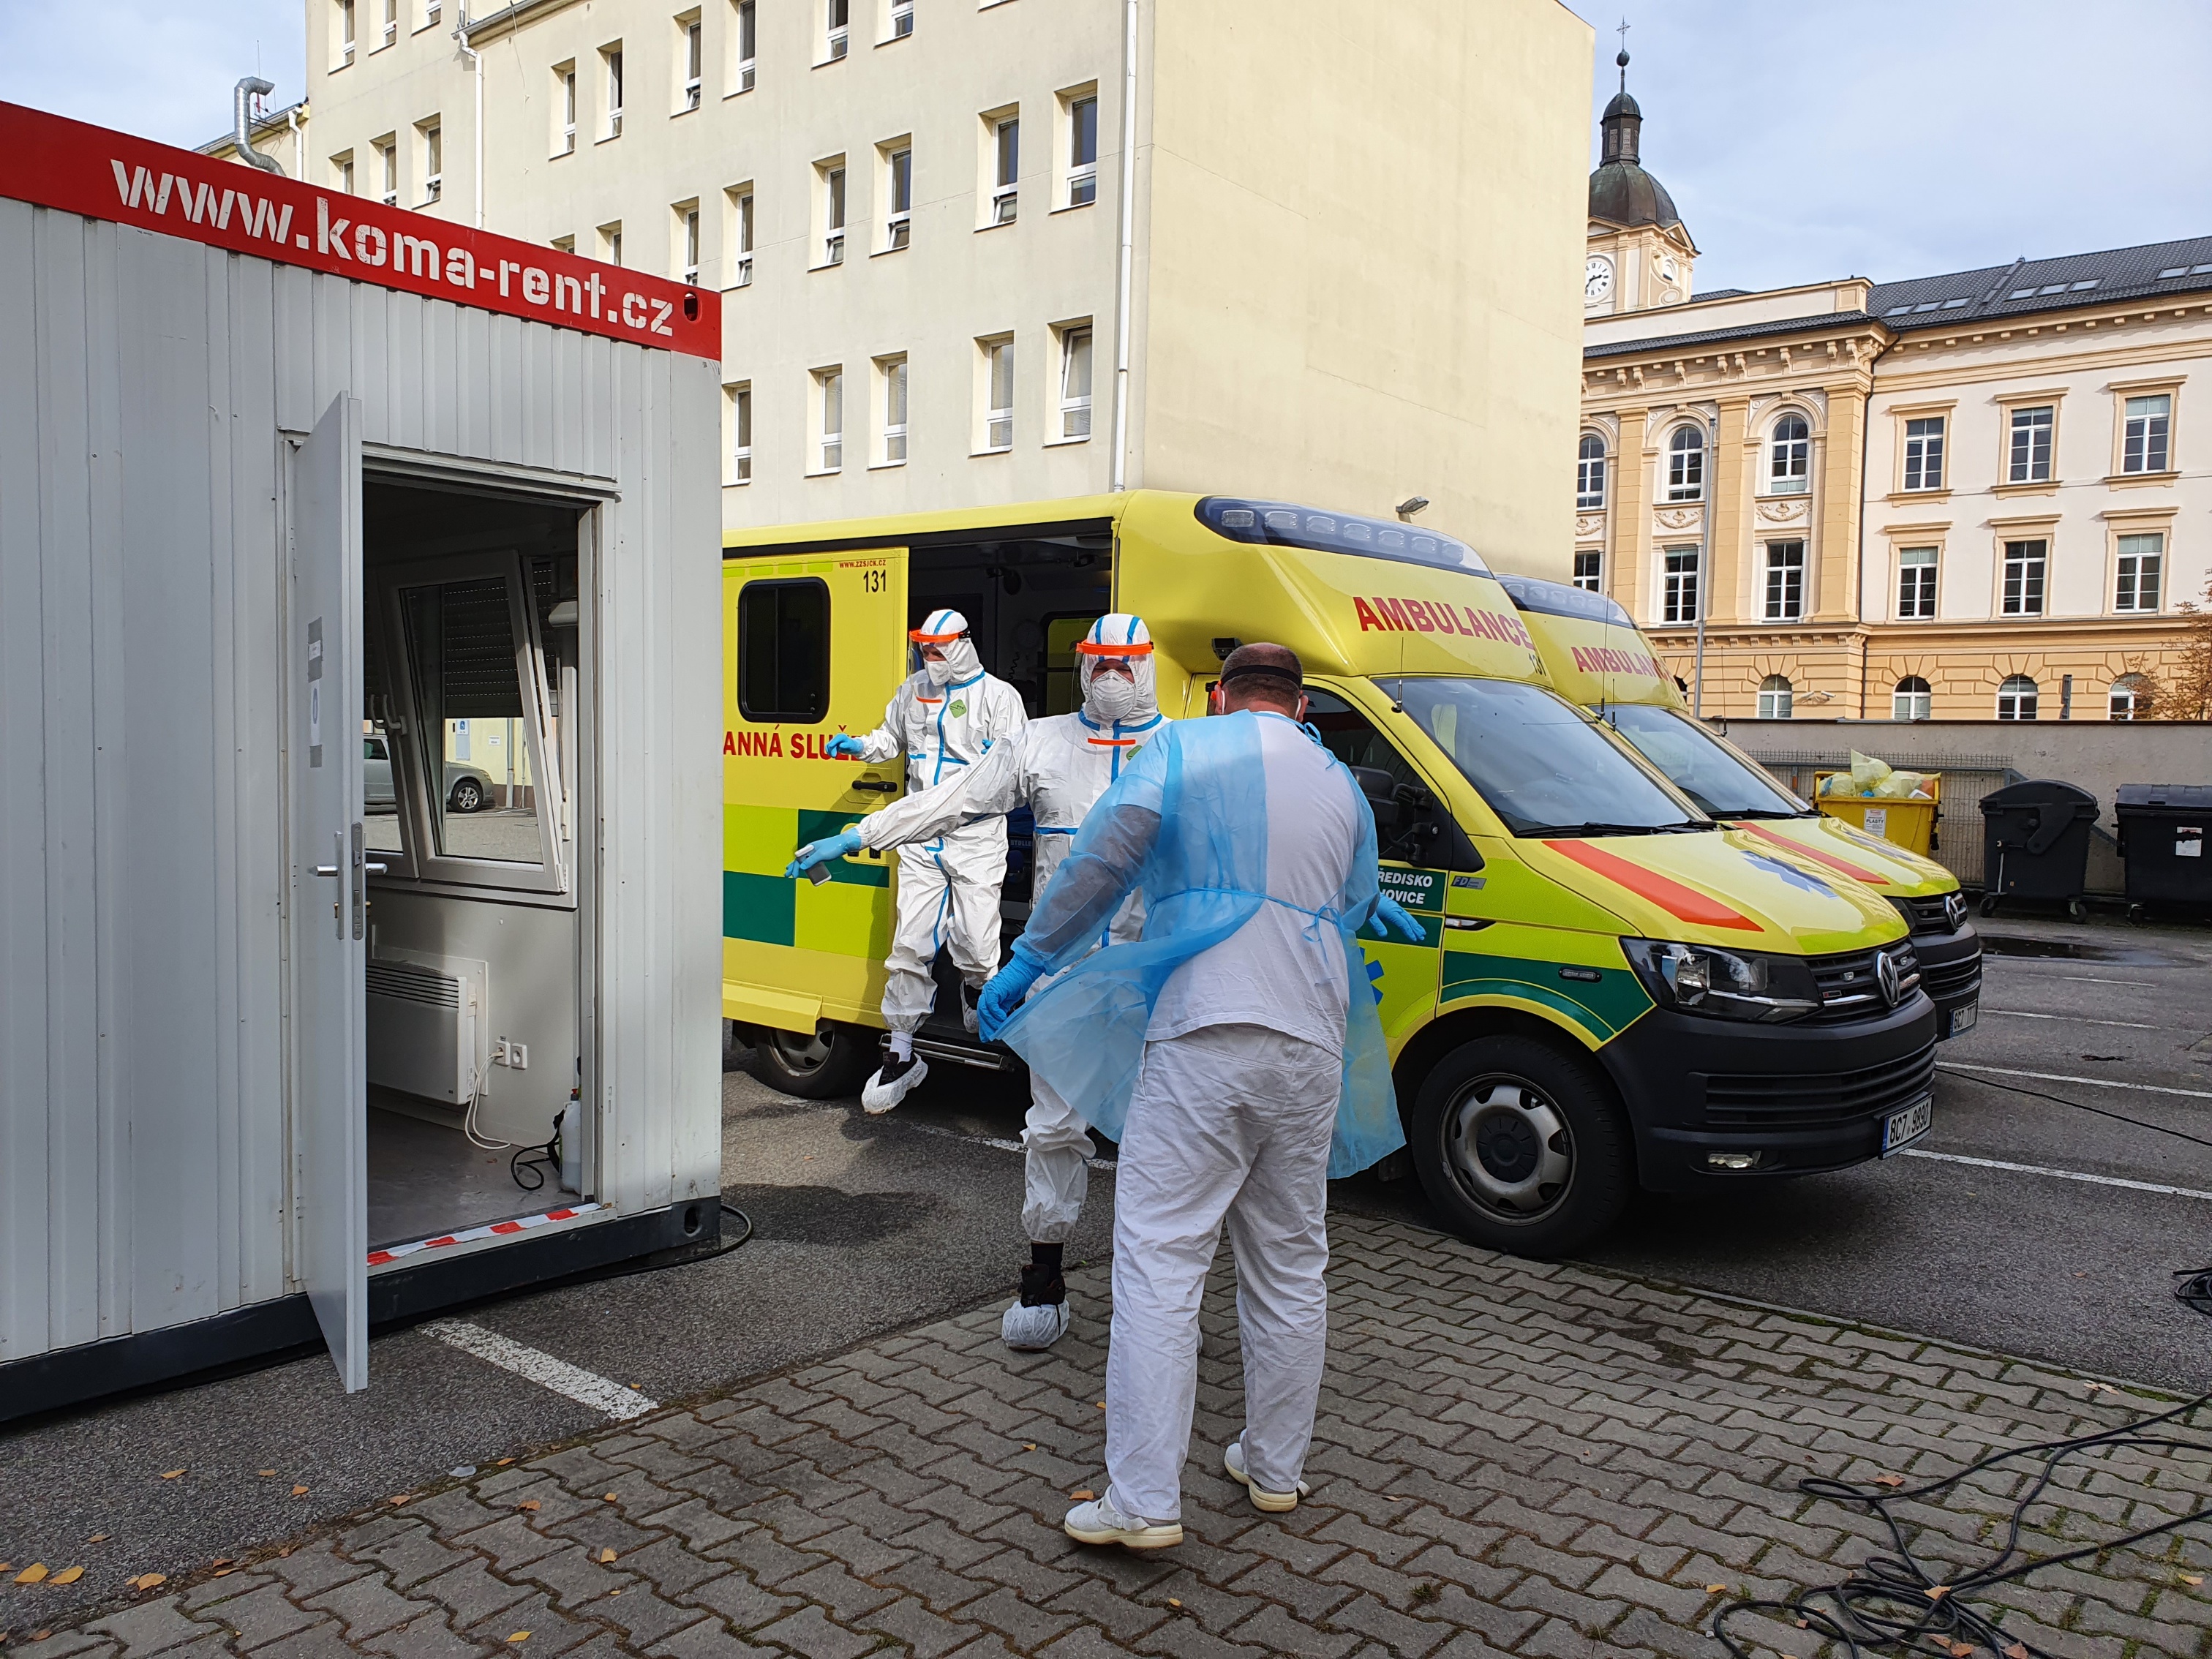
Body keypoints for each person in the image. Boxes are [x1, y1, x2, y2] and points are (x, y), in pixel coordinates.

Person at [974, 644, 1423, 1551]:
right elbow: (1358, 893)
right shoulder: (1340, 780)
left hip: (1205, 1030)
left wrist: (1031, 958)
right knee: (1293, 1263)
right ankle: (1274, 1469)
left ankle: (1142, 1502)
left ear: (1220, 696)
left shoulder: (1184, 750)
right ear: (1302, 708)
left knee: (1162, 1260)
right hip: (1309, 1044)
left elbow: (1101, 862)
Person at [789, 615, 1166, 1350]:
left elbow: (1251, 828)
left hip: (1152, 982)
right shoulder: (1043, 743)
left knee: (1163, 1137)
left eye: (1127, 665)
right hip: (1059, 975)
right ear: (1083, 665)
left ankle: (1160, 1294)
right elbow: (951, 800)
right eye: (1101, 665)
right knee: (1054, 1129)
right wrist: (859, 835)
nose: (1113, 679)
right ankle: (1046, 1273)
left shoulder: (1181, 753)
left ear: (1148, 666)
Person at [818, 609, 1026, 1113]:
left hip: (973, 836)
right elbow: (892, 738)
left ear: (962, 645)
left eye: (939, 649)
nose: (930, 658)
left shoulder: (1000, 698)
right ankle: (903, 1052)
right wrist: (862, 748)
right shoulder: (913, 690)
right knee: (910, 943)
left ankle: (979, 993)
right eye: (925, 649)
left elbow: (1004, 775)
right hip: (918, 842)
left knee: (976, 943)